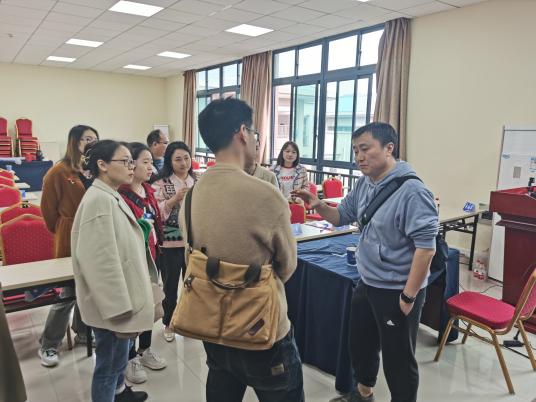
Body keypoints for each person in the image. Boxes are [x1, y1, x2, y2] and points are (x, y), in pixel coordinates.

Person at [293, 122, 439, 402]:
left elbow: (426, 250)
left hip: (397, 289)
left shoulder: (412, 191)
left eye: (365, 149)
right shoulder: (364, 183)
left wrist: (408, 296)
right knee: (361, 345)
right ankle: (363, 395)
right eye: (355, 151)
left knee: (398, 359)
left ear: (388, 148)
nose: (359, 157)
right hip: (367, 281)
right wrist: (319, 205)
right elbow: (341, 216)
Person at [183, 97, 304, 402]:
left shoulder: (192, 194)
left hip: (213, 324)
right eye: (253, 133)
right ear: (241, 133)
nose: (254, 140)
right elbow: (287, 266)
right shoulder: (266, 194)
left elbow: (192, 256)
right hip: (261, 328)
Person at [72, 140, 156, 402]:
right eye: (125, 161)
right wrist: (119, 310)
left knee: (118, 362)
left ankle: (120, 394)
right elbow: (100, 263)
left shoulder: (109, 194)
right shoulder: (98, 201)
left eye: (132, 161)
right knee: (108, 367)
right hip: (113, 308)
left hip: (120, 302)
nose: (131, 167)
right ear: (103, 165)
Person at [38, 124, 98, 367]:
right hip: (70, 234)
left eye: (95, 139)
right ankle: (49, 343)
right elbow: (47, 211)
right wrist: (64, 229)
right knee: (68, 293)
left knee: (87, 288)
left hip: (93, 234)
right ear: (75, 142)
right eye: (87, 139)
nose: (92, 143)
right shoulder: (59, 171)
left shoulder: (94, 170)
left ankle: (82, 332)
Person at [118, 142, 167, 384]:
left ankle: (144, 349)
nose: (151, 167)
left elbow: (155, 222)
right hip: (133, 260)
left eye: (151, 162)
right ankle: (129, 358)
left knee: (150, 304)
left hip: (152, 256)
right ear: (131, 164)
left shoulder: (147, 190)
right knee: (135, 309)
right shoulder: (121, 195)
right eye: (145, 162)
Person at [152, 141, 195, 342]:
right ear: (169, 161)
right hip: (170, 244)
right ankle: (169, 322)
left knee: (192, 285)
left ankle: (188, 321)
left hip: (193, 243)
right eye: (178, 159)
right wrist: (174, 199)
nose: (183, 163)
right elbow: (155, 212)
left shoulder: (197, 181)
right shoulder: (160, 183)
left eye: (186, 158)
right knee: (170, 286)